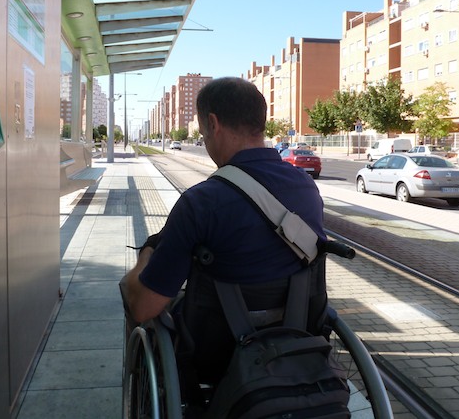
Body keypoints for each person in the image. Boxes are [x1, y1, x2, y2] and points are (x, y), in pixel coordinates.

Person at [121, 77, 328, 391]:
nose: (204, 139)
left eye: (203, 132)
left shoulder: (201, 202)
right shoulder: (306, 186)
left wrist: (146, 257)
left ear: (213, 123)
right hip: (297, 336)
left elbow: (145, 307)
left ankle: (135, 387)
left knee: (133, 291)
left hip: (214, 358)